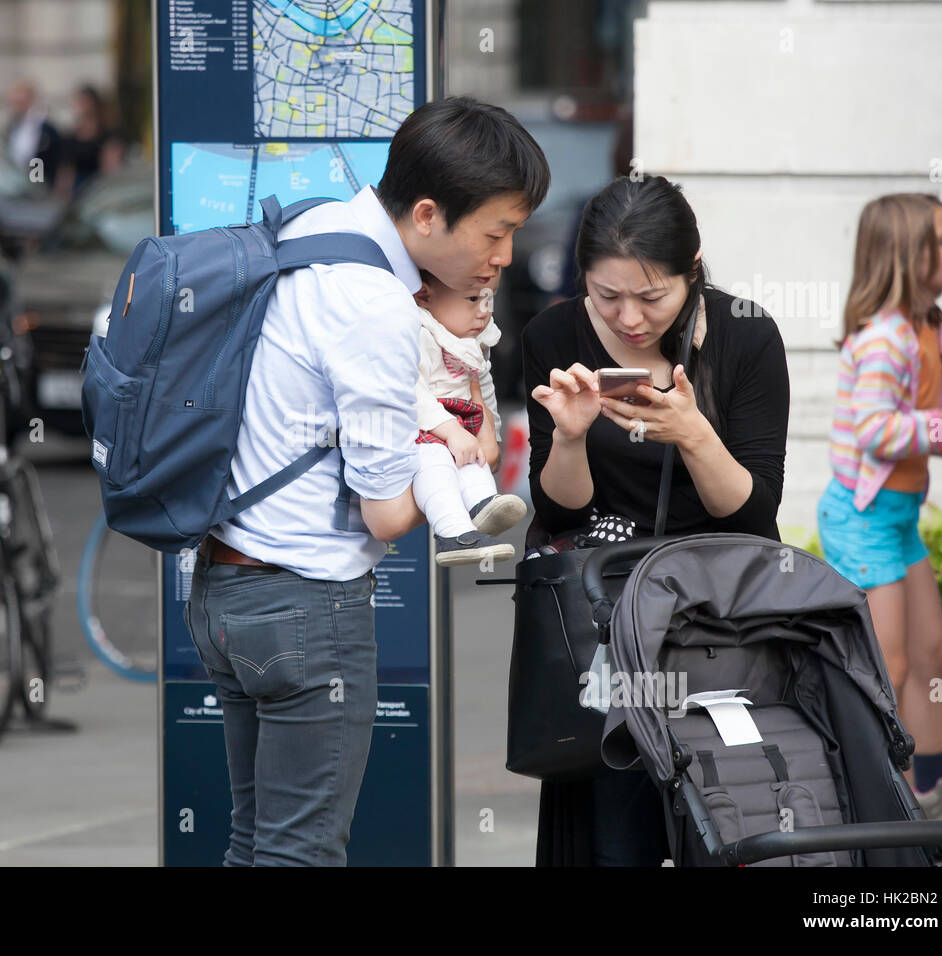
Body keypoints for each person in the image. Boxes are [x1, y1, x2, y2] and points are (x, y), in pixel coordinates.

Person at [184, 97, 549, 866]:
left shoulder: (311, 227)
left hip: (222, 587)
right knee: (300, 853)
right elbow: (386, 515)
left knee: (254, 841)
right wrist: (463, 451)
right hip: (304, 609)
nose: (505, 257)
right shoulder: (378, 308)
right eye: (495, 231)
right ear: (426, 214)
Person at [522, 173, 790, 865]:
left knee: (728, 820)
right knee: (620, 826)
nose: (630, 319)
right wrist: (573, 436)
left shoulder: (745, 336)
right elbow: (557, 510)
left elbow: (757, 515)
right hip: (606, 625)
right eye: (607, 296)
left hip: (720, 622)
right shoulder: (555, 332)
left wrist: (695, 434)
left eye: (652, 296)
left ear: (691, 271)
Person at [816, 193, 942, 838]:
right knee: (888, 667)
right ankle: (869, 800)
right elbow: (876, 431)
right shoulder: (886, 336)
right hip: (861, 519)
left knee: (934, 656)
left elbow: (921, 432)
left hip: (897, 517)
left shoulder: (926, 327)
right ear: (911, 256)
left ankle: (930, 790)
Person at [411, 272, 527, 566]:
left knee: (473, 462)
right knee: (434, 464)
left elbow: (485, 392)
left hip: (460, 425)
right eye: (473, 299)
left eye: (489, 299)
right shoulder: (419, 332)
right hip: (424, 428)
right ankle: (453, 533)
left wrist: (493, 437)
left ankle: (482, 505)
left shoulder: (471, 338)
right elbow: (410, 390)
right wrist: (450, 431)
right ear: (425, 296)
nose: (484, 311)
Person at [4, 79, 60, 187]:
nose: (15, 108)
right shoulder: (12, 128)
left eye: (20, 103)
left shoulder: (45, 130)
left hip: (39, 187)